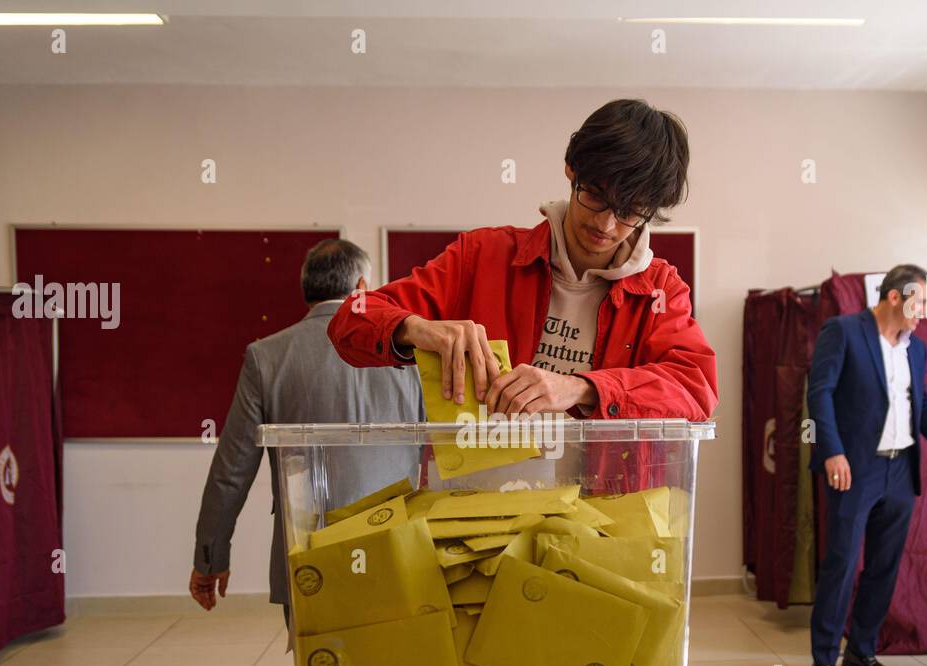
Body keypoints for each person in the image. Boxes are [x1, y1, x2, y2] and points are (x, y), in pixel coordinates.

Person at [326, 99, 717, 427]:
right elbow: (351, 317)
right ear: (571, 170)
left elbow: (696, 388)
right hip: (483, 500)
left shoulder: (659, 290)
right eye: (595, 196)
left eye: (629, 211)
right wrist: (416, 329)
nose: (606, 223)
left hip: (604, 506)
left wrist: (581, 387)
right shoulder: (482, 255)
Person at [190, 239, 424, 623]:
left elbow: (231, 471)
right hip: (395, 549)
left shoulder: (266, 356)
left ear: (306, 291)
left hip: (306, 556)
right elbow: (438, 450)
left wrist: (210, 558)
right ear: (364, 288)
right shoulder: (408, 353)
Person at [807, 265, 927, 666]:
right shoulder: (844, 330)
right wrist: (832, 451)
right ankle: (824, 658)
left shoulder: (916, 348)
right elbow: (820, 393)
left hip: (901, 469)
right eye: (920, 302)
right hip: (856, 467)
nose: (925, 311)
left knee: (884, 566)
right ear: (894, 297)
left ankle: (862, 649)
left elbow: (920, 406)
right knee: (843, 562)